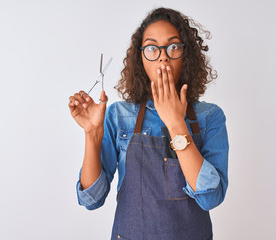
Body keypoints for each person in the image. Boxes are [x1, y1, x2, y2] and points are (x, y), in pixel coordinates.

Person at [68, 7, 229, 240]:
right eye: (152, 48)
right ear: (141, 57)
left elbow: (210, 198)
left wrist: (176, 123)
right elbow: (91, 200)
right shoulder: (119, 115)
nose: (163, 56)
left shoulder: (210, 117)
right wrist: (92, 133)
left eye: (173, 46)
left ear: (186, 55)